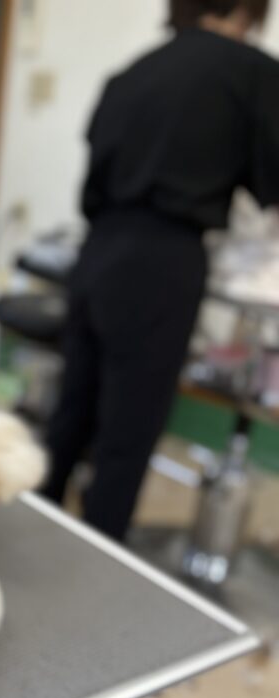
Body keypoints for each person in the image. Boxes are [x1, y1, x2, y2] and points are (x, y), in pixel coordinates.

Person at [41, 0, 279, 540]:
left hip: (98, 251)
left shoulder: (131, 74)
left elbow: (93, 184)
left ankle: (39, 524)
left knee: (71, 411)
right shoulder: (252, 72)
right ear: (246, 11)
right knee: (128, 431)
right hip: (163, 263)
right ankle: (100, 550)